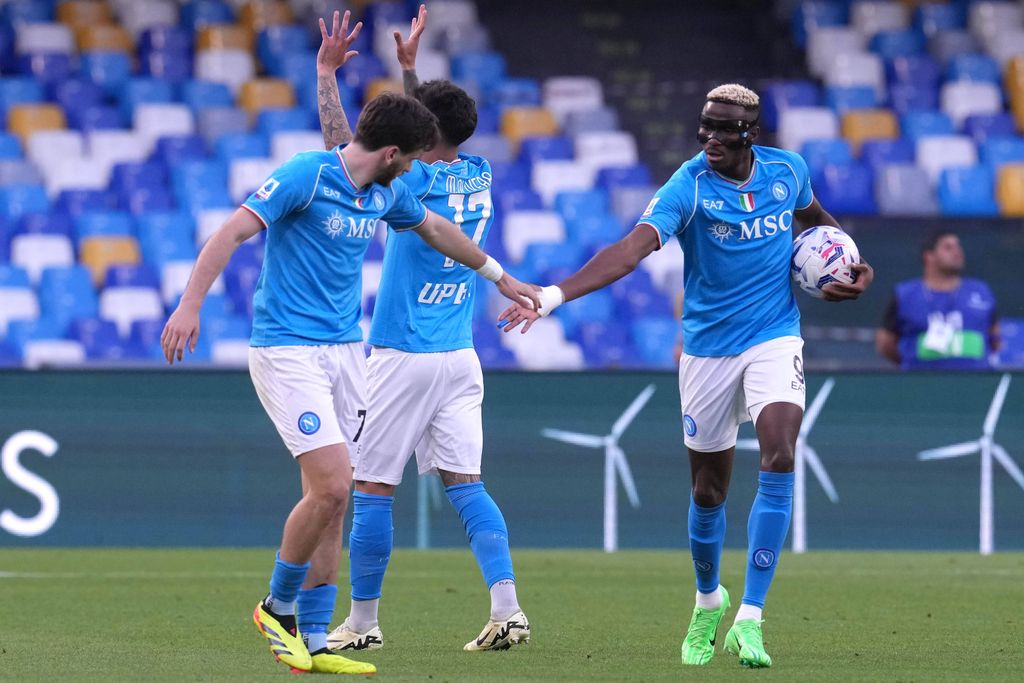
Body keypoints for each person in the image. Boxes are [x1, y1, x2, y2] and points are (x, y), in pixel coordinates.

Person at [160, 35, 539, 673]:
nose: (415, 169)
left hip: (346, 352)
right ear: (394, 155)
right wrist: (190, 304)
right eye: (409, 159)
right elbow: (231, 230)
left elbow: (437, 227)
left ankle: (315, 639)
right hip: (287, 349)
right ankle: (278, 607)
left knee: (336, 498)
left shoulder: (384, 191)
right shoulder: (306, 175)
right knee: (340, 484)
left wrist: (500, 277)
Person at [498, 84, 873, 669]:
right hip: (707, 351)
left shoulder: (787, 171)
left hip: (774, 336)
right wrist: (551, 297)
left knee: (779, 455)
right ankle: (707, 602)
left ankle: (750, 618)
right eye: (705, 126)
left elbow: (818, 220)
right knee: (707, 491)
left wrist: (851, 263)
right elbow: (629, 251)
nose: (709, 137)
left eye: (723, 128)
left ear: (751, 133)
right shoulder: (688, 186)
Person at [313, 6, 530, 654]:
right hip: (460, 355)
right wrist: (412, 72)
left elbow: (350, 152)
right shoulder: (478, 173)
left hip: (403, 353)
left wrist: (328, 76)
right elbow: (427, 133)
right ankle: (508, 608)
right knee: (467, 484)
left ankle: (362, 622)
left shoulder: (410, 183)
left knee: (373, 489)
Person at [876, 230, 999, 370]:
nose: (957, 252)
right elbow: (885, 343)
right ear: (929, 256)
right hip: (921, 381)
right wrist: (911, 364)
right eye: (948, 247)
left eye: (958, 246)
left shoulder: (981, 291)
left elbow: (995, 337)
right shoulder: (904, 294)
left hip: (976, 380)